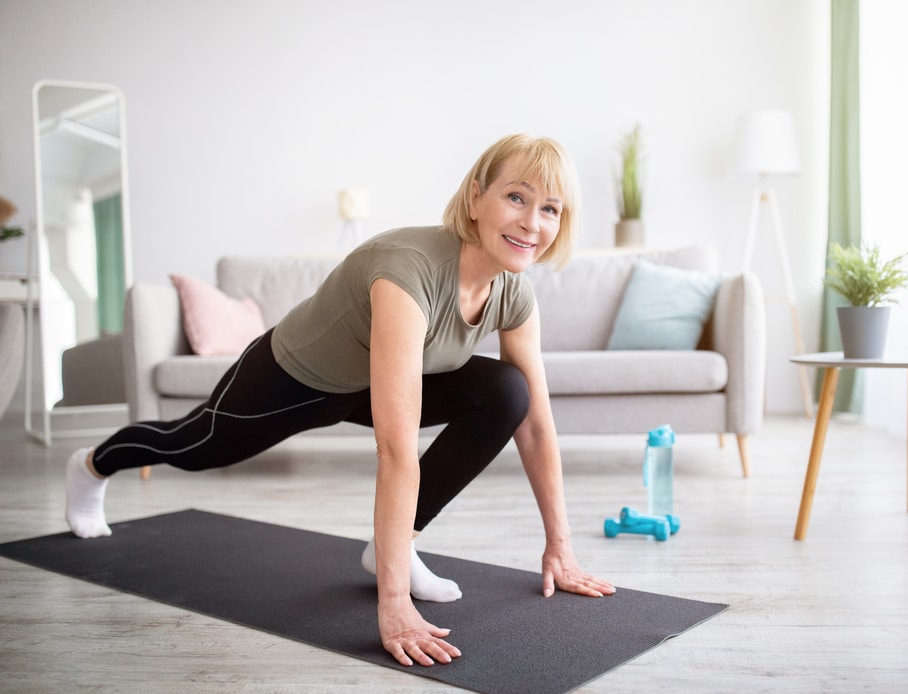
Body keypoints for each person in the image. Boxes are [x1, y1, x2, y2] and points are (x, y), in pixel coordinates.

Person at [65, 133, 616, 667]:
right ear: (476, 196)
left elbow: (537, 427)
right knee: (192, 444)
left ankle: (390, 548)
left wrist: (560, 547)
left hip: (368, 385)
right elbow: (395, 451)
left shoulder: (513, 290)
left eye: (550, 208)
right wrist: (394, 604)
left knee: (507, 392)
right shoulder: (408, 270)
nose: (531, 222)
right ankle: (93, 465)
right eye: (516, 197)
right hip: (293, 378)